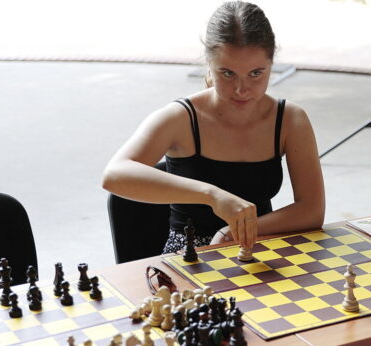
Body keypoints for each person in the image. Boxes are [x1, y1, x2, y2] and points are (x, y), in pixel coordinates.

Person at [102, 1, 325, 253]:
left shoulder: (290, 119)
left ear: (272, 65)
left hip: (258, 246)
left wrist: (234, 231)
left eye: (255, 74)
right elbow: (114, 175)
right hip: (190, 255)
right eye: (228, 73)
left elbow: (312, 210)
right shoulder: (181, 118)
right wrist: (212, 195)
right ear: (209, 64)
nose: (242, 89)